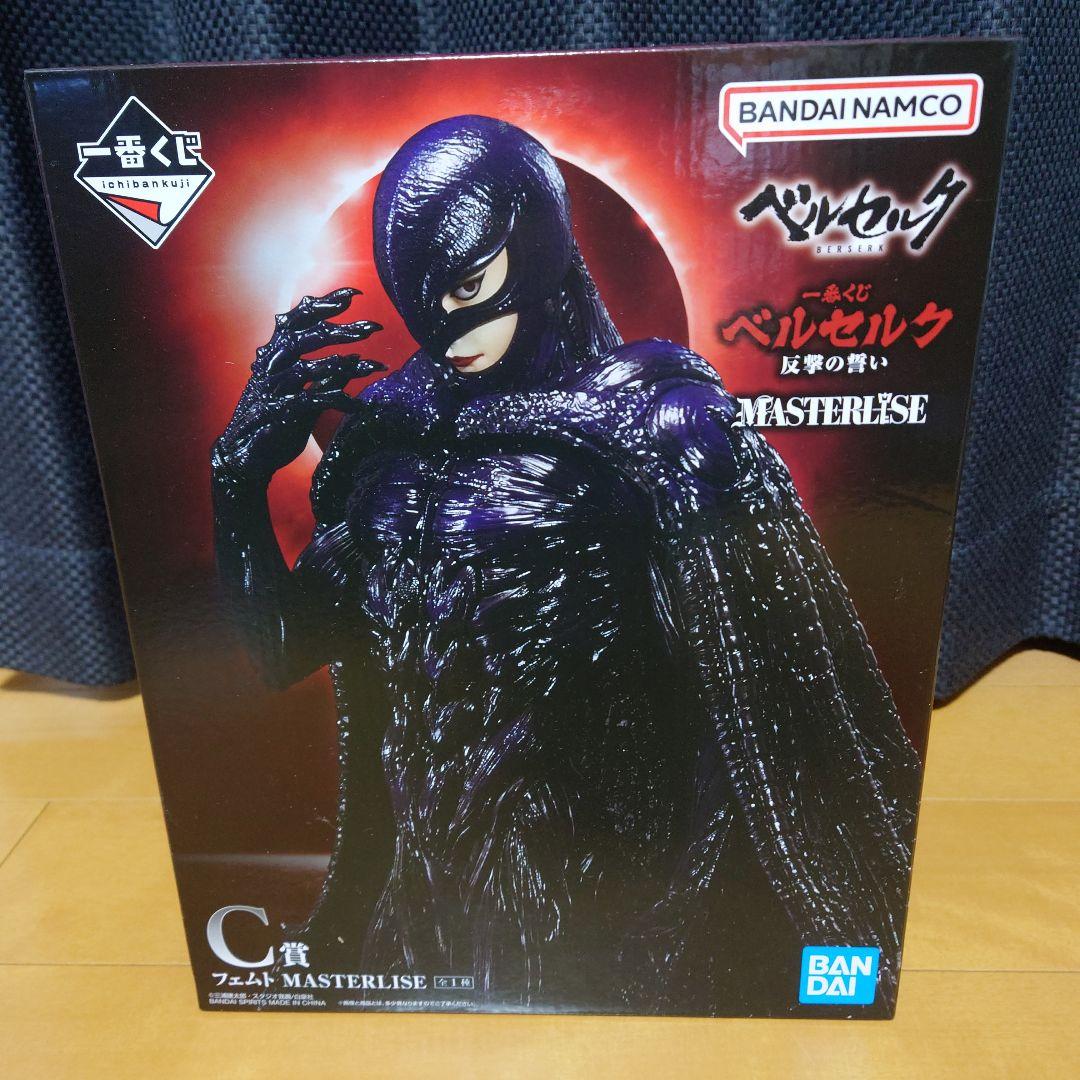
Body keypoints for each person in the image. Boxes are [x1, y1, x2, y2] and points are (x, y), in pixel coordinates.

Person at [211, 115, 920, 1015]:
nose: (447, 329)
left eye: (469, 285)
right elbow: (282, 651)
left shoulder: (665, 429)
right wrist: (236, 481)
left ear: (535, 240)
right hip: (420, 927)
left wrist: (691, 927)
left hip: (610, 929)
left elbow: (772, 714)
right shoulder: (392, 443)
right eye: (420, 302)